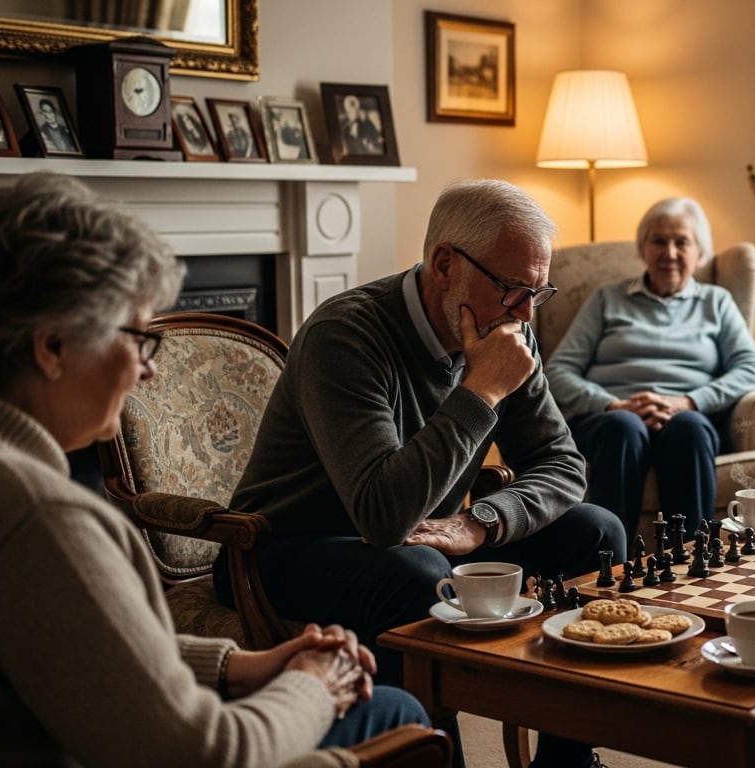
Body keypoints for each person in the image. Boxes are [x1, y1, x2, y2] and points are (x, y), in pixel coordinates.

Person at [0, 172, 432, 766]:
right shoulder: (43, 517)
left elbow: (84, 651)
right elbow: (208, 752)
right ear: (51, 347)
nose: (148, 370)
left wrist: (240, 665)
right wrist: (314, 683)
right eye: (140, 338)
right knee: (398, 712)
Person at [221, 178, 625, 768]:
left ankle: (565, 762)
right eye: (513, 289)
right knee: (417, 573)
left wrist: (484, 522)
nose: (527, 313)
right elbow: (383, 514)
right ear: (444, 264)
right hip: (284, 547)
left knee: (599, 532)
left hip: (425, 536)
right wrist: (482, 387)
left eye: (538, 293)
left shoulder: (507, 329)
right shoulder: (346, 335)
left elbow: (564, 465)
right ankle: (435, 759)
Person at [547, 197, 755, 548]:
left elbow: (754, 368)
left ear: (700, 253)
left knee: (690, 428)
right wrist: (612, 405)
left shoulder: (717, 302)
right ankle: (608, 564)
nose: (669, 252)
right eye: (658, 241)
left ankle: (691, 562)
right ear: (642, 249)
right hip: (612, 419)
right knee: (625, 427)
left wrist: (689, 401)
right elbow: (558, 370)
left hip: (686, 417)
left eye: (682, 242)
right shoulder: (607, 299)